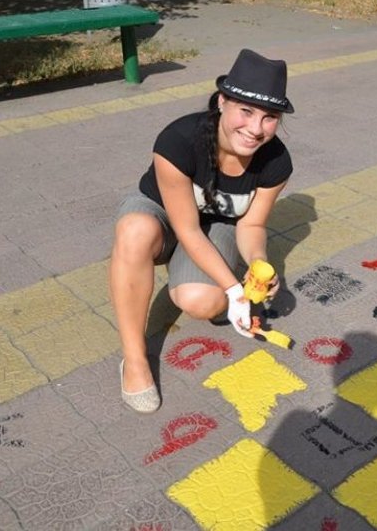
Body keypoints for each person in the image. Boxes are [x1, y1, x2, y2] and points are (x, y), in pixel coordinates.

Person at [109, 49, 293, 413]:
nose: (256, 129)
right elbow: (187, 230)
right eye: (246, 111)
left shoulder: (277, 161)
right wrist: (235, 290)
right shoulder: (178, 140)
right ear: (222, 101)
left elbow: (252, 223)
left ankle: (195, 275)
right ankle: (134, 359)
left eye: (269, 117)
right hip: (166, 218)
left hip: (214, 226)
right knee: (134, 231)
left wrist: (258, 263)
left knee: (201, 302)